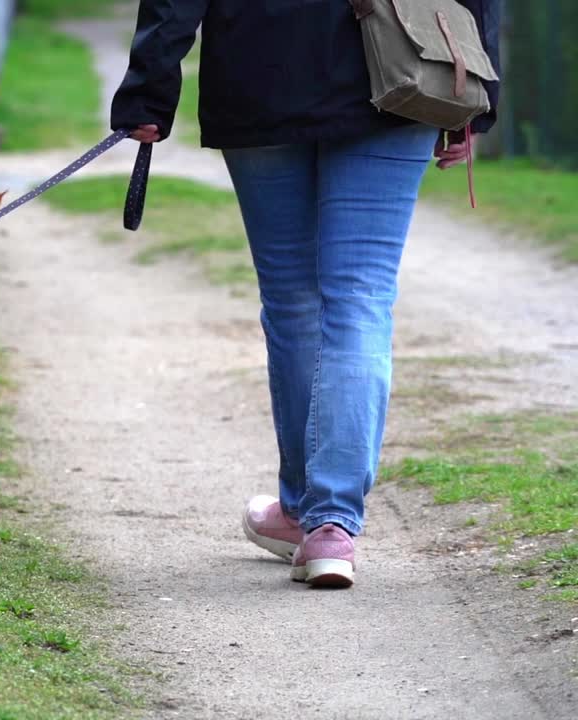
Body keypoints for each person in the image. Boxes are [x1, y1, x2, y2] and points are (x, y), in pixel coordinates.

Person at [111, 1, 501, 588]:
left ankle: (305, 514)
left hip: (260, 68)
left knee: (293, 302)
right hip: (399, 66)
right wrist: (474, 80)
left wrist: (150, 85)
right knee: (360, 297)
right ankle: (331, 525)